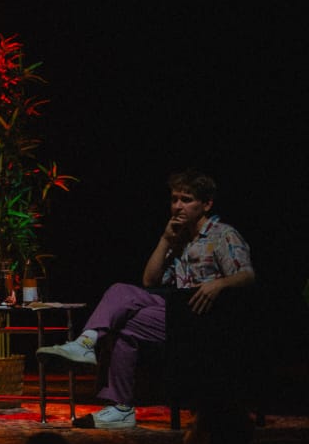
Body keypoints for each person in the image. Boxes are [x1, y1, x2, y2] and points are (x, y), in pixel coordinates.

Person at [38, 170, 253, 429]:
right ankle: (87, 341)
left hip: (206, 317)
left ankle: (120, 406)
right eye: (174, 199)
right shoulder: (180, 238)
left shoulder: (222, 234)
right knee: (121, 293)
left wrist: (218, 284)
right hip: (177, 310)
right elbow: (150, 281)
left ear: (206, 204)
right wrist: (165, 239)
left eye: (186, 199)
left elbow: (247, 275)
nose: (178, 206)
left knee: (123, 322)